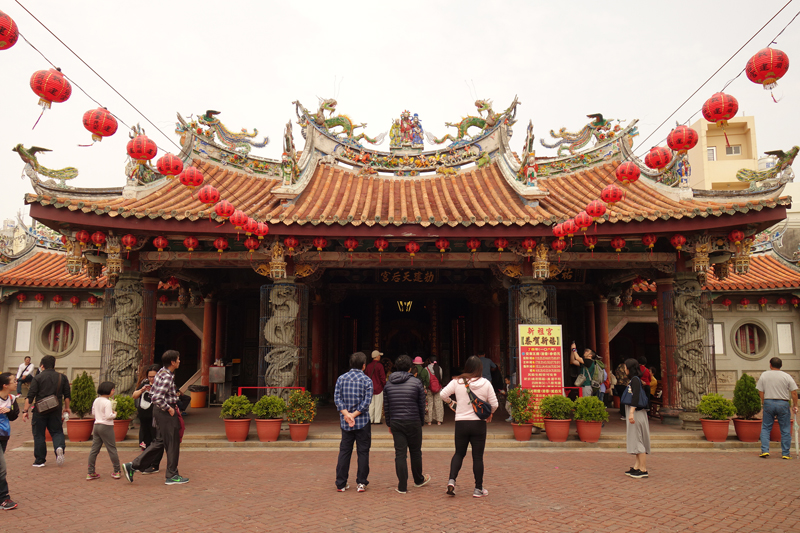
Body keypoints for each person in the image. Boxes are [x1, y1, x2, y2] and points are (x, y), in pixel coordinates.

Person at [124, 350, 188, 485]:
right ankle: (171, 475)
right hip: (165, 412)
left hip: (160, 412)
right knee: (172, 443)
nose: (179, 361)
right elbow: (157, 397)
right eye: (178, 359)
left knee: (160, 442)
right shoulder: (168, 376)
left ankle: (133, 465)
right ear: (172, 362)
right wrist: (169, 408)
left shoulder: (161, 373)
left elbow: (152, 392)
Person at [440, 355, 498, 498]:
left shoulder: (457, 382)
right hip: (478, 424)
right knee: (477, 457)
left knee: (459, 453)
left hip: (461, 423)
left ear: (466, 367)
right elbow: (495, 404)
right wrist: (489, 413)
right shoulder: (485, 383)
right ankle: (478, 488)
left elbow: (442, 394)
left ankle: (452, 481)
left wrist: (451, 403)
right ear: (479, 368)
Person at [383, 354, 431, 494]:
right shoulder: (416, 383)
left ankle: (402, 486)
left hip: (396, 422)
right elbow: (421, 404)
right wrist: (421, 420)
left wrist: (389, 423)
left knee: (400, 454)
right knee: (415, 452)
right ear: (410, 368)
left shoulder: (389, 383)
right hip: (413, 420)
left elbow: (387, 406)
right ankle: (418, 480)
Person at [334, 351, 373, 492]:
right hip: (362, 421)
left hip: (345, 422)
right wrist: (354, 415)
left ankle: (341, 483)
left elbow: (337, 399)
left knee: (345, 451)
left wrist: (347, 414)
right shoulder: (367, 380)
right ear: (364, 366)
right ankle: (361, 482)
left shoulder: (341, 379)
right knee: (363, 452)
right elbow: (366, 402)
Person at [23, 355, 71, 468]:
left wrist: (25, 410)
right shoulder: (62, 377)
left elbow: (30, 396)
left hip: (40, 410)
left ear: (42, 365)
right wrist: (67, 408)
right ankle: (59, 447)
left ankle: (40, 460)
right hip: (56, 409)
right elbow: (67, 395)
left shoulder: (38, 378)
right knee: (57, 431)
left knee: (39, 434)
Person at [757, 357, 799, 459]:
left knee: (766, 427)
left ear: (770, 365)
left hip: (769, 402)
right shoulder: (786, 376)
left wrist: (763, 401)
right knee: (785, 429)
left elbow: (760, 390)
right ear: (781, 365)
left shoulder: (764, 375)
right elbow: (794, 392)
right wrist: (795, 405)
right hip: (783, 403)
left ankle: (765, 450)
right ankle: (785, 453)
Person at [622, 358, 650, 478]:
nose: (624, 369)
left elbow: (635, 397)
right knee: (636, 438)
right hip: (635, 412)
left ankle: (643, 469)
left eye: (625, 367)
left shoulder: (635, 380)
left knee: (638, 439)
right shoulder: (635, 380)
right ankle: (637, 466)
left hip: (636, 413)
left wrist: (631, 413)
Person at [86, 381, 121, 481]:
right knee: (111, 448)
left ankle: (90, 472)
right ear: (109, 390)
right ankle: (117, 470)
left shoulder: (96, 400)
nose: (113, 391)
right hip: (106, 426)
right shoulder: (107, 402)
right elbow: (108, 416)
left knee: (94, 450)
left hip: (96, 425)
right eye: (113, 389)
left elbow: (93, 412)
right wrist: (115, 414)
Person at [0, 373, 19, 509]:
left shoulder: (12, 399)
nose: (16, 382)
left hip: (4, 436)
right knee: (2, 468)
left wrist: (8, 411)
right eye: (13, 381)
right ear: (5, 385)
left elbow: (14, 416)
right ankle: (4, 498)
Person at [132, 365, 159, 454]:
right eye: (150, 376)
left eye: (154, 376)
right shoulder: (144, 384)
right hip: (144, 418)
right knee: (145, 439)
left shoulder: (161, 385)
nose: (152, 379)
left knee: (155, 439)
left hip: (155, 418)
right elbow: (134, 395)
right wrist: (142, 390)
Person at [365, 350, 386, 425]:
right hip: (379, 388)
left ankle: (370, 419)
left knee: (371, 404)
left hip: (370, 388)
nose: (380, 356)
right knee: (378, 404)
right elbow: (382, 378)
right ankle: (377, 420)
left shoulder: (368, 366)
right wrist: (385, 386)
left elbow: (366, 377)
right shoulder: (380, 366)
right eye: (379, 355)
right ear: (377, 356)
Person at [426, 358, 444, 425]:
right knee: (438, 404)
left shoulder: (426, 369)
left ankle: (429, 421)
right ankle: (439, 421)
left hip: (429, 389)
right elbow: (441, 378)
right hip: (438, 388)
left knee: (429, 404)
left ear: (429, 361)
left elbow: (427, 379)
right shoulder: (439, 368)